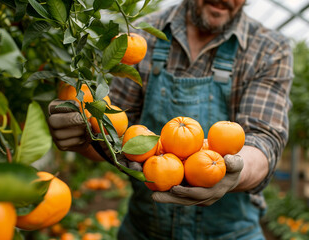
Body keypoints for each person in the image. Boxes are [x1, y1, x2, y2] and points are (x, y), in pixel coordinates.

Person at [48, 0, 293, 239]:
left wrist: (233, 173)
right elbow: (116, 134)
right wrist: (86, 138)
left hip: (231, 232)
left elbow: (264, 139)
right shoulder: (140, 38)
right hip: (144, 228)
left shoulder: (269, 48)